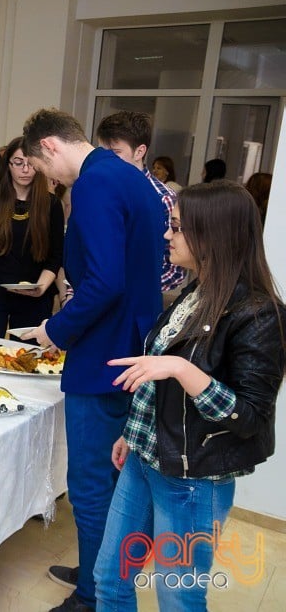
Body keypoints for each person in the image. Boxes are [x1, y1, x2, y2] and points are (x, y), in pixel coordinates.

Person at [94, 181, 286, 611]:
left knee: (178, 598)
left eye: (177, 227)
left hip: (194, 481)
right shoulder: (197, 293)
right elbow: (158, 381)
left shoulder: (258, 314)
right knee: (110, 579)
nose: (168, 235)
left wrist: (183, 369)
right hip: (146, 460)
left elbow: (250, 415)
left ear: (212, 234)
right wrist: (134, 433)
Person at [21, 108, 164, 612]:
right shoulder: (129, 176)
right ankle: (102, 572)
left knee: (90, 482)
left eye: (41, 168)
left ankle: (94, 594)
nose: (47, 179)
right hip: (133, 343)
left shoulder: (95, 184)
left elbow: (105, 282)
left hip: (104, 352)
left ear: (52, 147)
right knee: (118, 479)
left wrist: (55, 330)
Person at [0, 137, 64, 339]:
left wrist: (41, 287)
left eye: (30, 164)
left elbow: (56, 256)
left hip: (34, 294)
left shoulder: (51, 205)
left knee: (27, 359)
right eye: (18, 163)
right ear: (8, 165)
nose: (25, 170)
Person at [96, 111, 185, 292]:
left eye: (115, 153)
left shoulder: (163, 198)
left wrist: (125, 289)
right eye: (102, 153)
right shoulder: (99, 192)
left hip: (135, 304)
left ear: (140, 151)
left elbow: (174, 271)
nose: (104, 161)